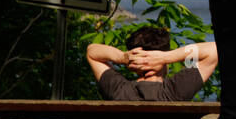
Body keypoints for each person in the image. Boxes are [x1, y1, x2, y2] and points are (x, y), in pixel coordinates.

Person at [86, 27, 218, 101]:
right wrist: (167, 57)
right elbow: (215, 50)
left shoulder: (119, 90)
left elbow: (92, 52)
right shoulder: (174, 91)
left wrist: (123, 57)